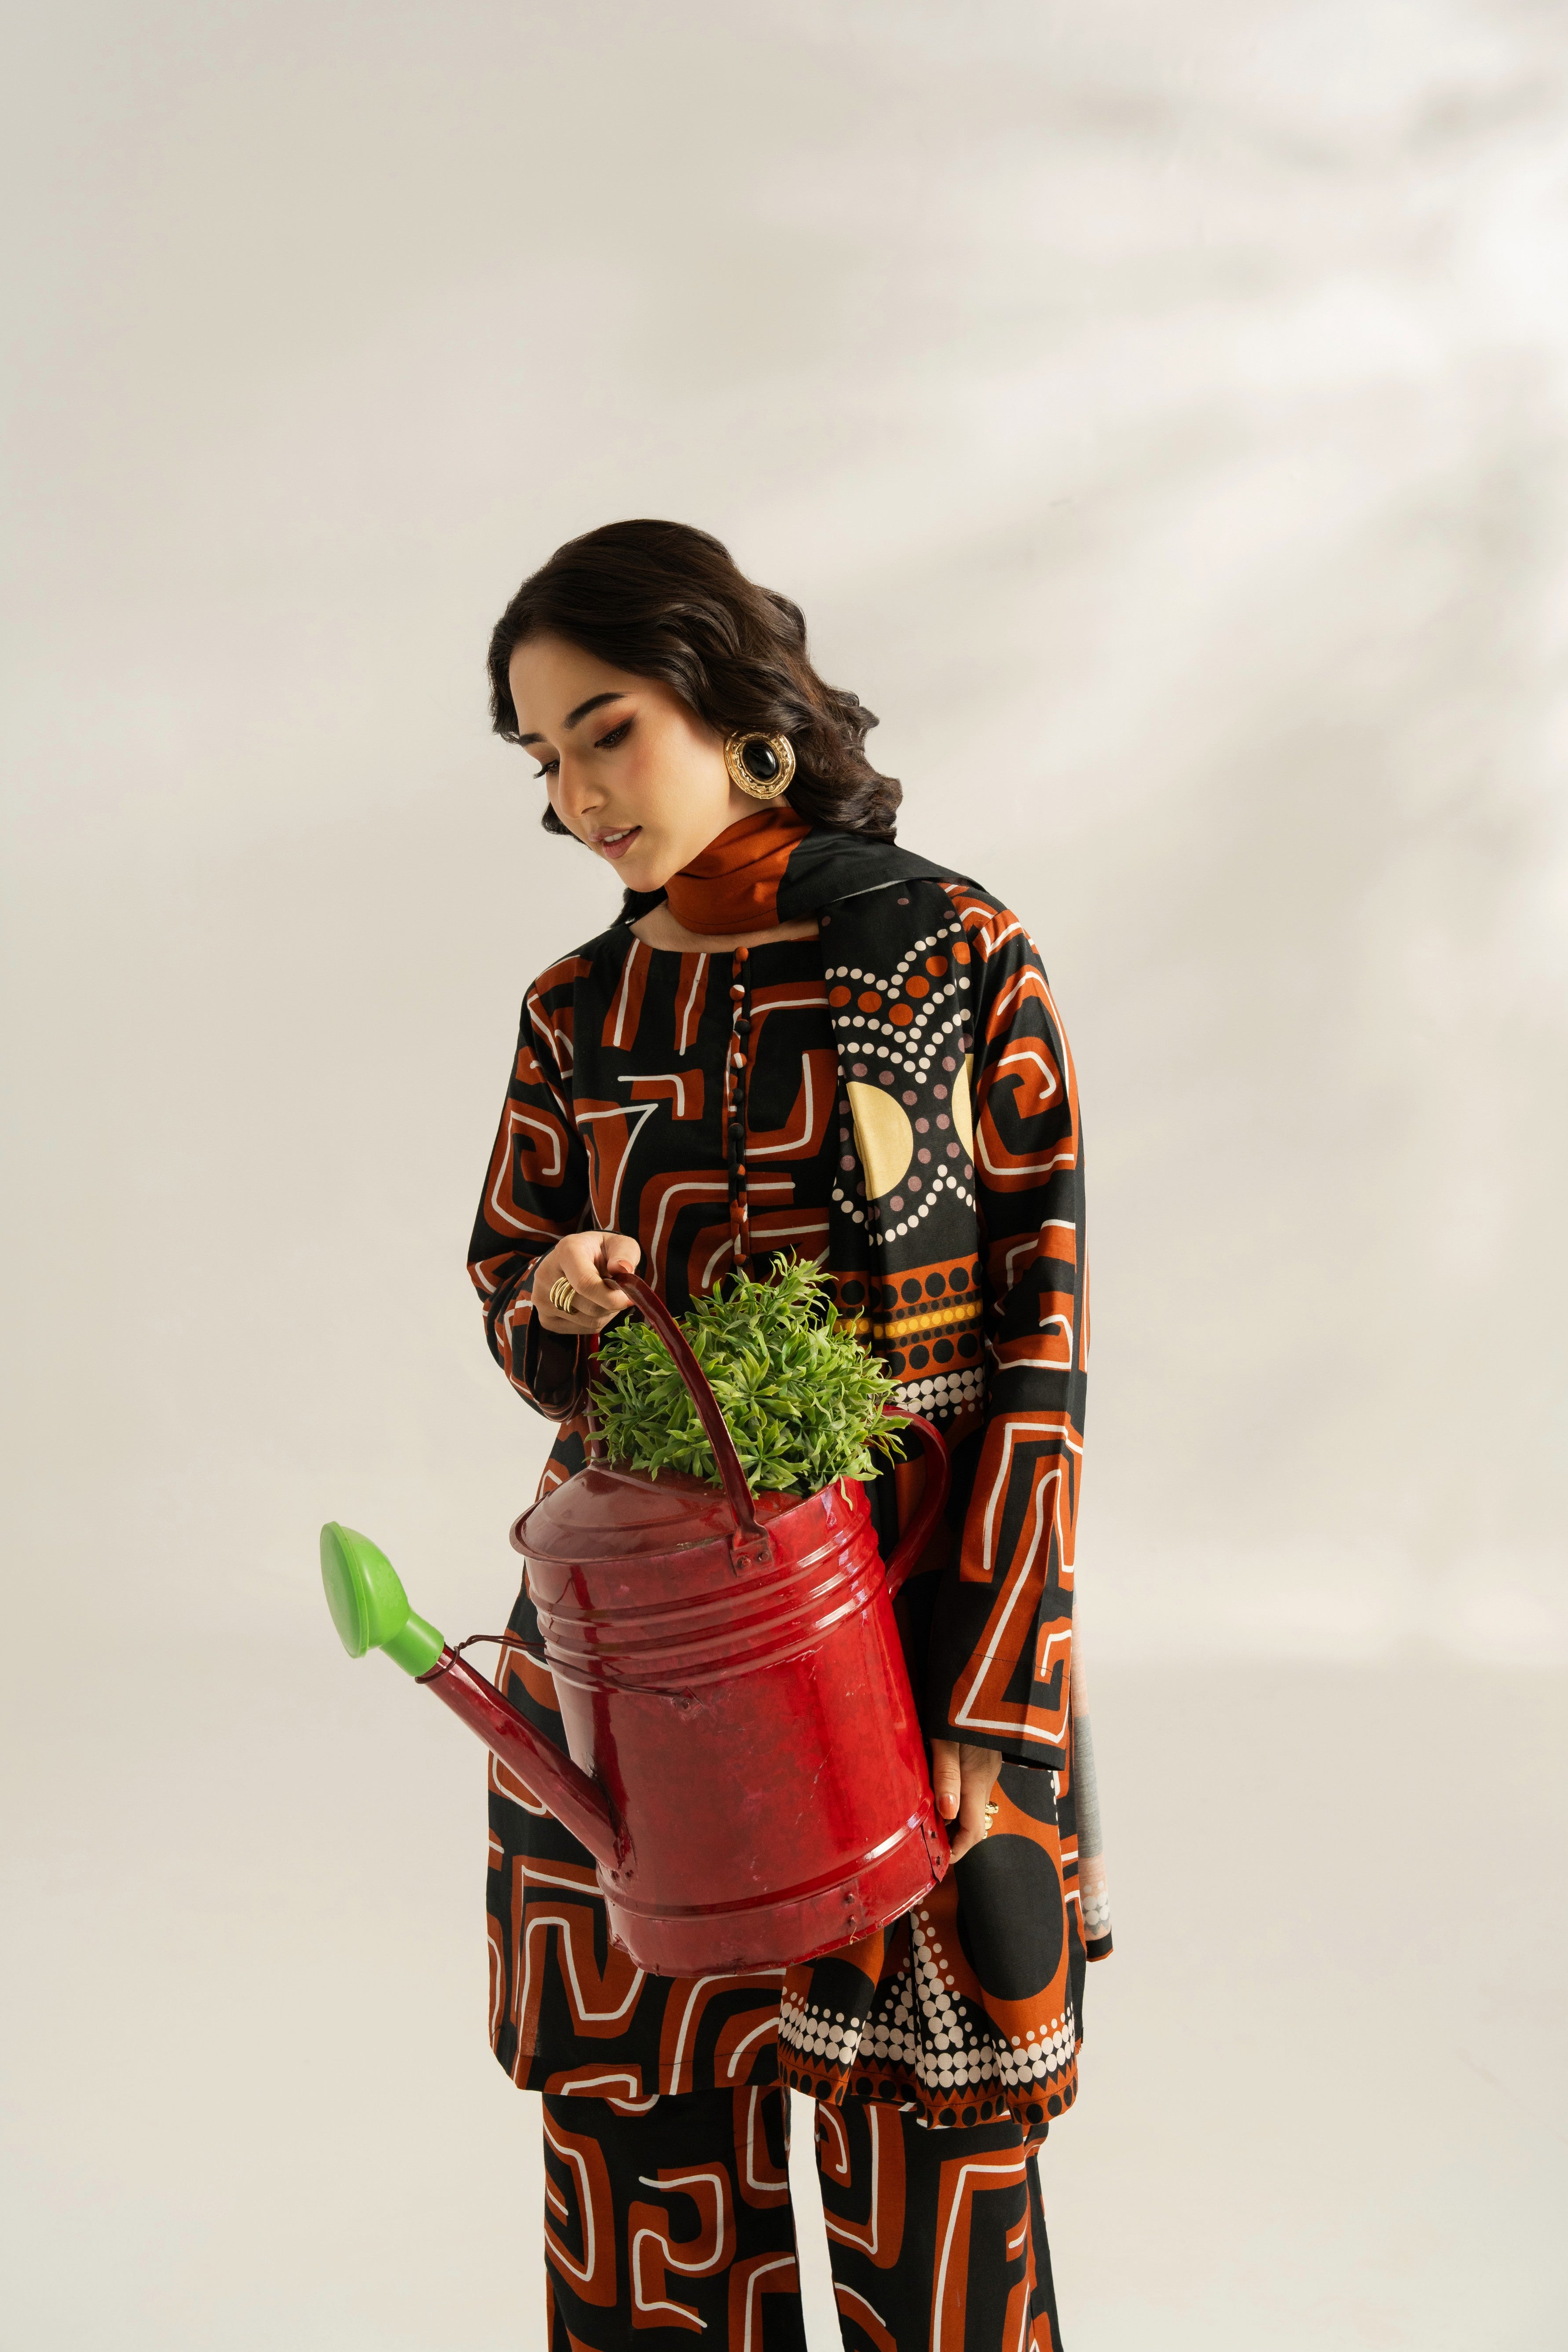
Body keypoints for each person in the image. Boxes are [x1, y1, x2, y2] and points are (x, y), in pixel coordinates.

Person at [469, 520, 1112, 2351]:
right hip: (633, 1645)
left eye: (607, 730)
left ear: (735, 704)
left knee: (936, 2172)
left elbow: (1037, 1335)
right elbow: (513, 1287)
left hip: (907, 1628)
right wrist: (565, 1295)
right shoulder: (576, 1010)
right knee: (639, 2135)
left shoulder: (953, 955)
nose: (579, 795)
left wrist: (993, 1696)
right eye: (544, 759)